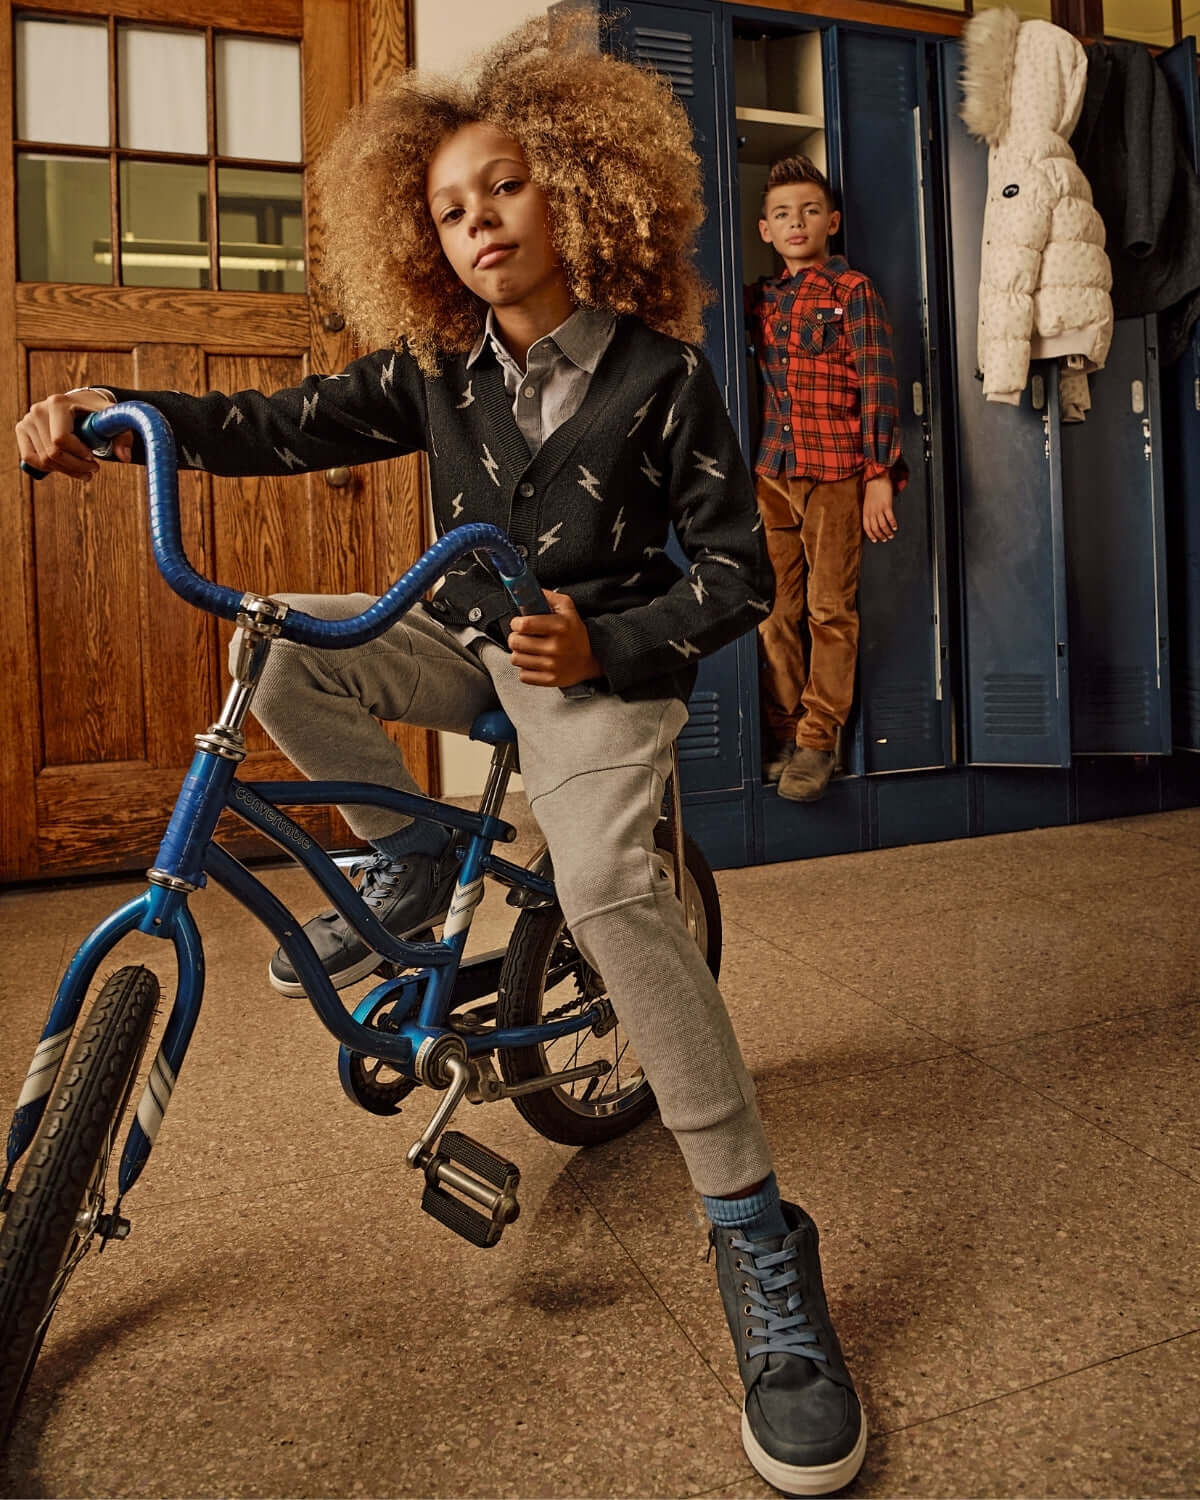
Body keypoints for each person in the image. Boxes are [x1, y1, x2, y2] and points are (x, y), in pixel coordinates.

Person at [16, 22, 866, 1494]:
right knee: (277, 641)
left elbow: (737, 575)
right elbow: (272, 422)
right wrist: (117, 410)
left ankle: (759, 1246)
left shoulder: (664, 378)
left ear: (586, 197)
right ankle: (410, 865)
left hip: (593, 666)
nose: (477, 224)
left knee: (607, 885)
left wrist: (607, 645)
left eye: (507, 190)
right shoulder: (430, 369)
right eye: (451, 210)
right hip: (454, 632)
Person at [747, 154, 905, 803]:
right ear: (764, 229)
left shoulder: (852, 292)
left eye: (810, 211)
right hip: (771, 472)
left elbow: (879, 385)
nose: (797, 222)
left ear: (831, 221)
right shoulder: (762, 300)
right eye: (783, 213)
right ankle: (785, 729)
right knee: (774, 611)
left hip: (836, 472)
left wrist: (879, 476)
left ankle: (818, 740)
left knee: (828, 609)